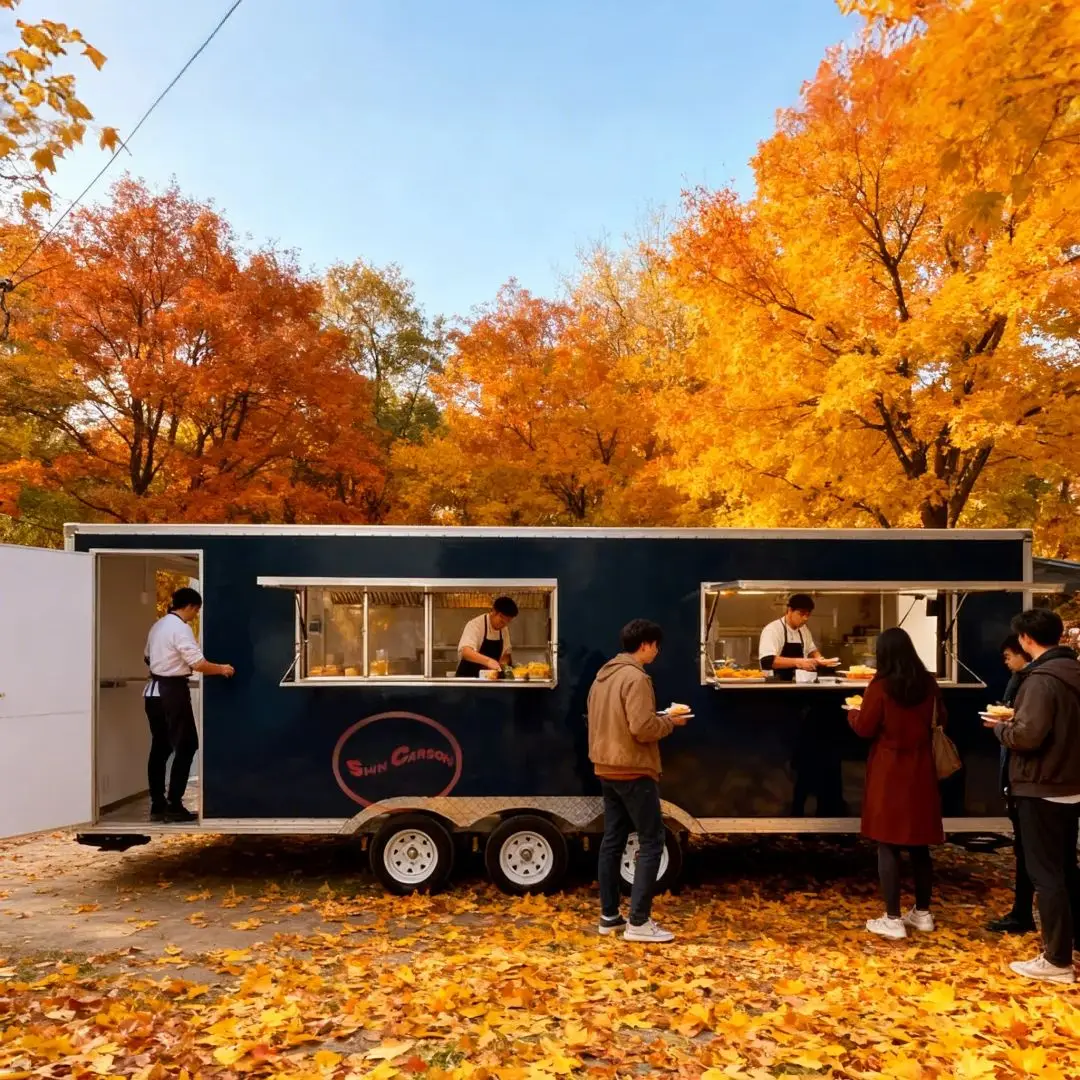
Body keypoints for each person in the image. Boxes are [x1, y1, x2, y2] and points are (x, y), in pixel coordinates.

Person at [988, 608, 1080, 985]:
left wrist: (1001, 728)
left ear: (1026, 640)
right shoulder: (1073, 672)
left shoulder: (1040, 680)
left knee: (1046, 875)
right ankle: (1071, 944)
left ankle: (1057, 959)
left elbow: (1028, 737)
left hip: (1041, 784)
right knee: (1067, 869)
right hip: (1070, 784)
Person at [587, 619, 686, 943]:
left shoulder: (604, 676)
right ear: (645, 644)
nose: (657, 651)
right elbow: (641, 729)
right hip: (633, 768)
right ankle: (639, 923)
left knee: (612, 839)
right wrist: (670, 722)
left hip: (605, 766)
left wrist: (659, 720)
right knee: (652, 840)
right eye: (656, 645)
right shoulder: (637, 678)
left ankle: (609, 916)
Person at [848, 627, 945, 940]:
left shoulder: (880, 686)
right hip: (921, 768)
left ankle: (891, 918)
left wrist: (852, 713)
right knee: (919, 843)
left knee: (887, 842)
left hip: (889, 769)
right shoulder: (928, 682)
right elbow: (941, 718)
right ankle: (923, 913)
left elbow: (865, 728)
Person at [144, 587, 234, 822]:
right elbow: (197, 663)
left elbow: (146, 657)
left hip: (152, 693)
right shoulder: (180, 628)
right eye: (196, 611)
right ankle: (174, 804)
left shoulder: (158, 626)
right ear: (191, 607)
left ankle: (157, 803)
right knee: (186, 746)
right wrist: (222, 669)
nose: (196, 615)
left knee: (160, 748)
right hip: (172, 691)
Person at [986, 635, 1036, 935]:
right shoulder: (1027, 679)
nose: (1006, 662)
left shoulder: (1032, 682)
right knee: (1028, 852)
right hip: (1022, 779)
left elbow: (1027, 732)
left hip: (1031, 781)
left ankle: (1027, 916)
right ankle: (1022, 911)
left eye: (1008, 655)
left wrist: (1002, 726)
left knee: (1039, 857)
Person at [758, 594, 827, 681]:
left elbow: (812, 650)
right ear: (789, 610)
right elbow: (767, 661)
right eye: (801, 614)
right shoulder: (773, 630)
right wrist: (799, 662)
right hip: (775, 684)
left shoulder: (804, 630)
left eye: (808, 614)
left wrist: (820, 659)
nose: (805, 618)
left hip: (798, 683)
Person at [455, 597, 518, 677]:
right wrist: (488, 661)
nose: (504, 625)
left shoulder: (504, 629)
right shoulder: (475, 624)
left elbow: (506, 654)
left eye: (508, 622)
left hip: (489, 679)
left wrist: (503, 666)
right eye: (501, 621)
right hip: (468, 680)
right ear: (494, 612)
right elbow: (466, 652)